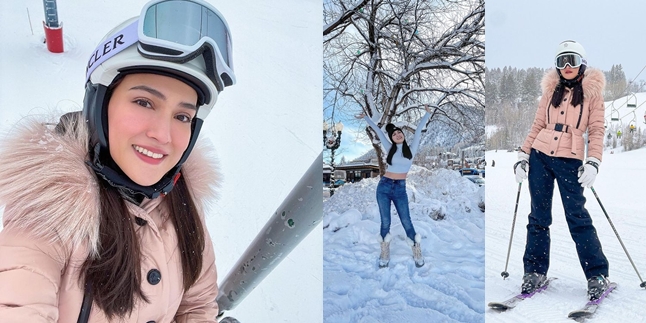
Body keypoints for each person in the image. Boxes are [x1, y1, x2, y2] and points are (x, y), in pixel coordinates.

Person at [0, 0, 234, 321]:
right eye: (144, 102)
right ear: (101, 103)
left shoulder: (182, 201)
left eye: (182, 116)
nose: (164, 135)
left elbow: (197, 305)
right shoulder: (49, 210)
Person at [513, 40, 610, 300]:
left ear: (582, 63)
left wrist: (594, 161)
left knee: (577, 217)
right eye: (561, 61)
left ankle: (597, 273)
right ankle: (534, 271)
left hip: (570, 160)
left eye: (572, 60)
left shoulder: (593, 94)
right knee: (538, 216)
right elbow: (537, 125)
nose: (567, 66)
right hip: (540, 157)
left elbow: (597, 130)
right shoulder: (550, 92)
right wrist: (523, 155)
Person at [357, 105, 432, 268]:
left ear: (403, 135)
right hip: (384, 187)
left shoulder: (411, 150)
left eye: (399, 132)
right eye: (394, 134)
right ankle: (384, 252)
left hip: (400, 189)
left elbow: (418, 130)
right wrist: (366, 118)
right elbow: (377, 130)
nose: (398, 134)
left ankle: (416, 249)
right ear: (391, 138)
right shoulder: (389, 148)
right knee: (385, 221)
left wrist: (427, 114)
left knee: (406, 220)